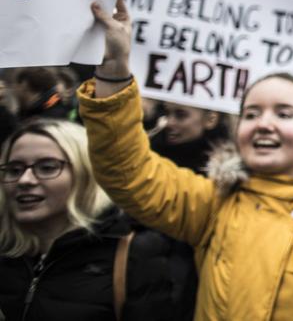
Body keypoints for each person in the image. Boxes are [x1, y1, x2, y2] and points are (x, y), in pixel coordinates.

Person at [78, 0, 293, 320]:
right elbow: (127, 172)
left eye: (284, 114)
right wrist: (114, 69)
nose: (264, 124)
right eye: (251, 114)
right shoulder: (212, 202)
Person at [0, 120, 180, 320]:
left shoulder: (133, 254)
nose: (25, 180)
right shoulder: (6, 251)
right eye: (14, 170)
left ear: (85, 174)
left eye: (47, 167)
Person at [150, 103, 231, 174]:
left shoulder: (224, 174)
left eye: (180, 115)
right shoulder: (149, 151)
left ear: (211, 119)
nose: (169, 123)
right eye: (166, 113)